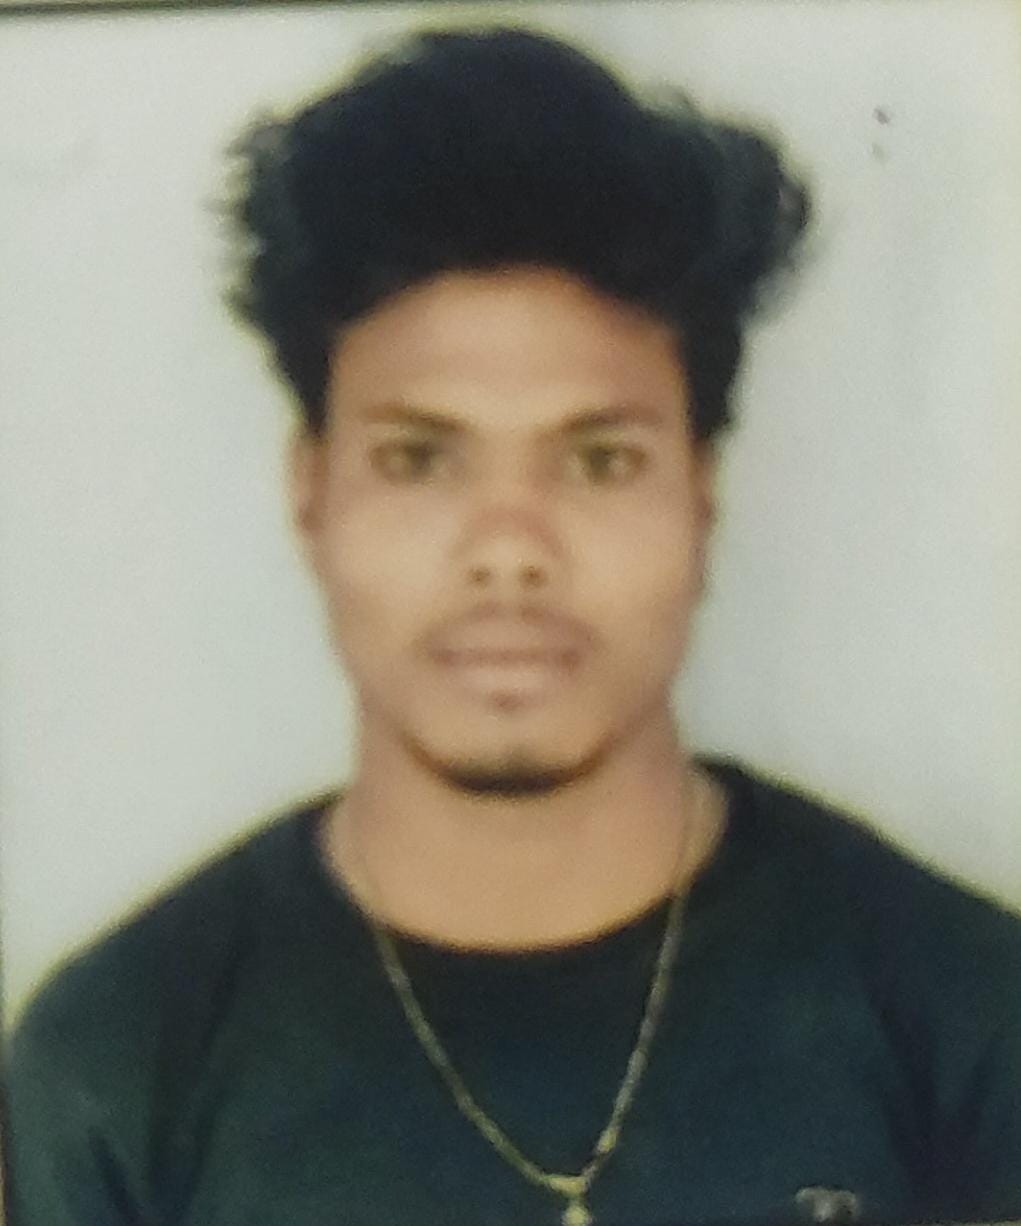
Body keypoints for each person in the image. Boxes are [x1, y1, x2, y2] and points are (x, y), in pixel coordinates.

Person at [3, 24, 1020, 1226]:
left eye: (598, 459)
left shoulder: (965, 1019)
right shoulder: (115, 1065)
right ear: (311, 490)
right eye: (419, 457)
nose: (508, 548)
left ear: (700, 491)